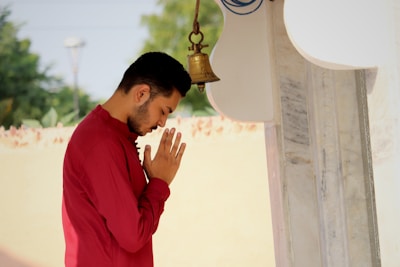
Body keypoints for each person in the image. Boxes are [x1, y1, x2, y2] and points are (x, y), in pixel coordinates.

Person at [62, 52, 192, 267]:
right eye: (163, 111)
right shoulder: (101, 143)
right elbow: (132, 237)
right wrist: (159, 184)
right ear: (141, 93)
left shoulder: (117, 136)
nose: (162, 123)